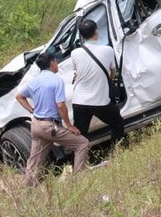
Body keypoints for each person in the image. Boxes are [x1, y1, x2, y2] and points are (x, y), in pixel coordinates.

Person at [16, 50, 89, 187]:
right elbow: (60, 105)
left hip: (36, 124)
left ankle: (28, 190)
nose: (57, 64)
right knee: (81, 144)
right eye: (56, 61)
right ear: (52, 63)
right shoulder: (56, 80)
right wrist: (69, 125)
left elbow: (19, 96)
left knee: (35, 162)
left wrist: (31, 110)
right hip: (50, 126)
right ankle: (79, 180)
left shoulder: (33, 81)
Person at [70, 19, 126, 146]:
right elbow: (113, 72)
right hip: (99, 101)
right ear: (96, 32)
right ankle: (117, 152)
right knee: (117, 123)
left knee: (80, 135)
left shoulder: (74, 53)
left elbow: (77, 73)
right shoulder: (108, 50)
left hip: (79, 101)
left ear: (82, 36)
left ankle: (78, 162)